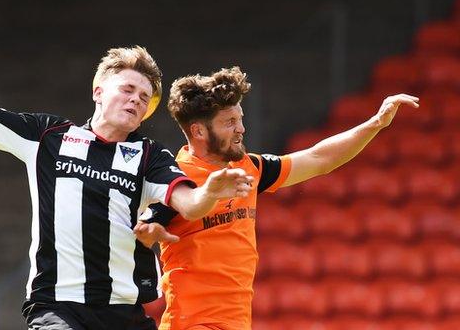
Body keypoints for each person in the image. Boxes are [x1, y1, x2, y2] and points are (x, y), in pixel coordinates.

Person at [0, 0, 254, 330]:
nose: (136, 100)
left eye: (144, 96)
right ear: (98, 92)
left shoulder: (149, 155)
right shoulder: (48, 136)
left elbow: (189, 203)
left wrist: (209, 191)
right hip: (59, 308)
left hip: (124, 315)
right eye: (128, 89)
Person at [135, 66, 419, 330]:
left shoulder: (250, 167)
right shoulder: (173, 180)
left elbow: (319, 159)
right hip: (192, 323)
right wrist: (148, 236)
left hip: (236, 322)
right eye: (230, 122)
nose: (241, 129)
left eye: (240, 120)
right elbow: (136, 235)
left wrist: (375, 124)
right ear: (198, 131)